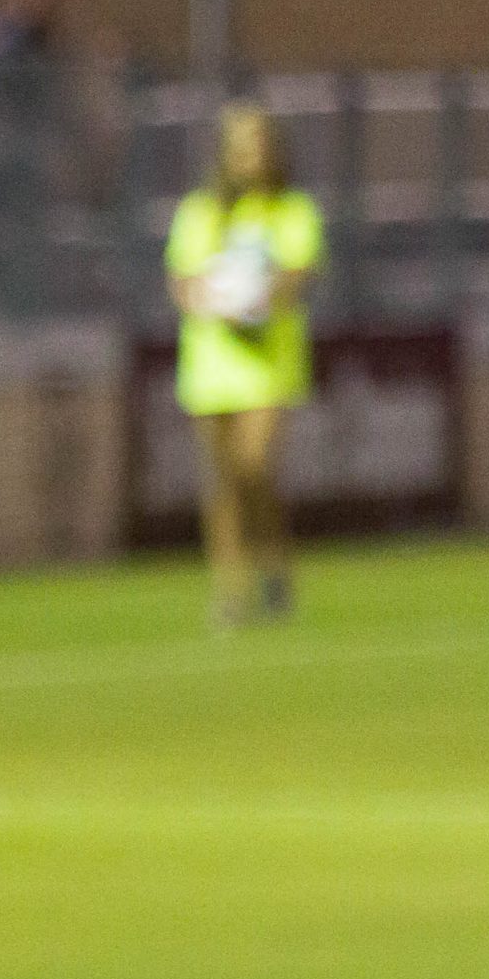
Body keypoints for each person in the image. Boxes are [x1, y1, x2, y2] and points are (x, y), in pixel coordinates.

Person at [164, 102, 323, 628]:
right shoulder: (200, 212)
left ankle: (274, 564)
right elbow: (183, 282)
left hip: (267, 360)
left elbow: (295, 278)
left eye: (257, 141)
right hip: (211, 360)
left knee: (254, 468)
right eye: (239, 143)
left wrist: (255, 301)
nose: (249, 154)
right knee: (223, 480)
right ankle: (231, 589)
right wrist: (210, 302)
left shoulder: (291, 210)